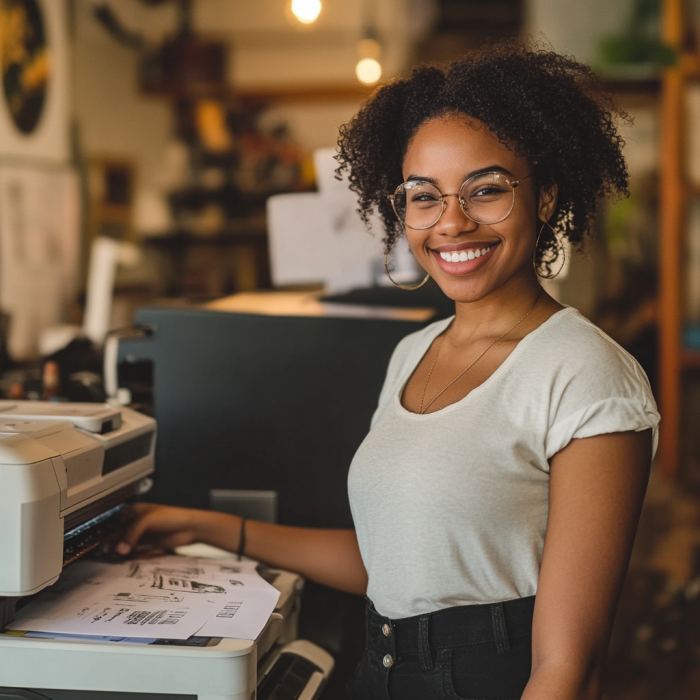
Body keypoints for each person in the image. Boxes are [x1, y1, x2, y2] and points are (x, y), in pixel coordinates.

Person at [115, 42, 660, 700]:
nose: (452, 222)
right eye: (424, 197)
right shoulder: (413, 352)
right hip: (378, 671)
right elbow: (393, 565)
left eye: (487, 190)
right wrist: (208, 528)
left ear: (545, 197)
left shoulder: (586, 373)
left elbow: (567, 668)